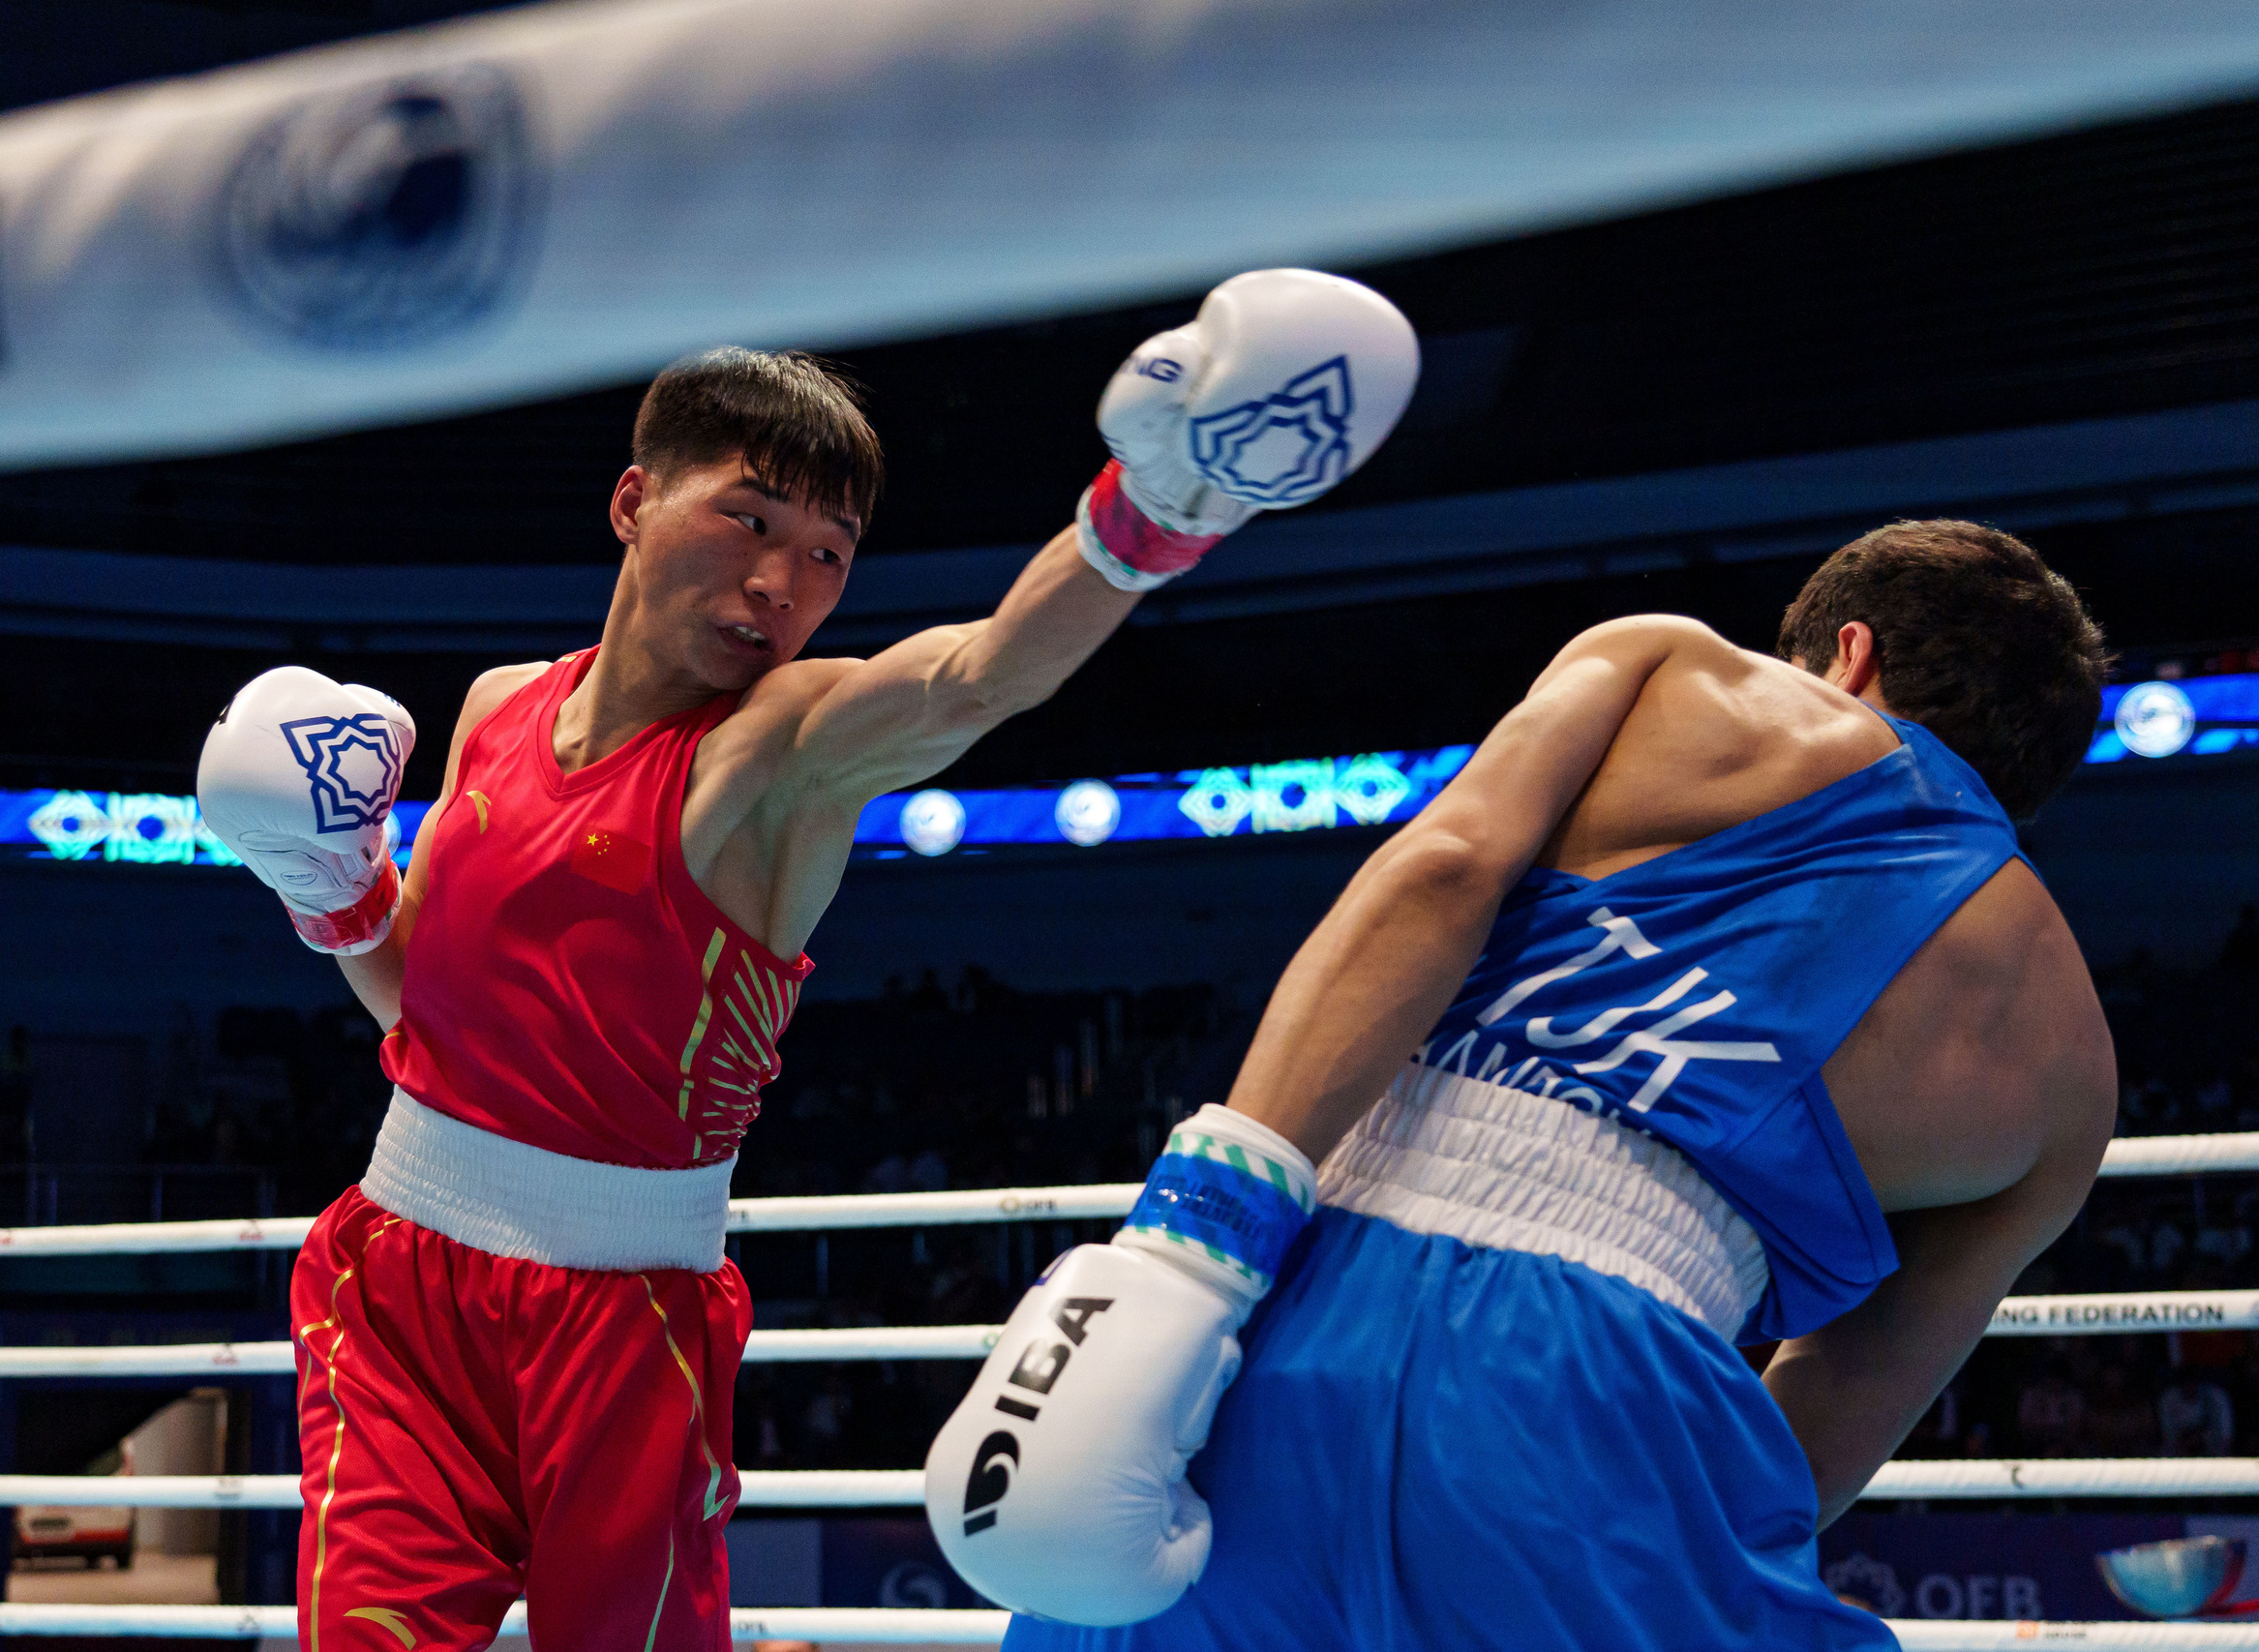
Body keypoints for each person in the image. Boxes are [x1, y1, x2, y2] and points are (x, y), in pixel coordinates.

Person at [193, 271, 1418, 1648]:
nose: (783, 581)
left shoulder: (770, 760)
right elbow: (425, 1005)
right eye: (750, 517)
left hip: (620, 1325)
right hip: (396, 1280)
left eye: (831, 552)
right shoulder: (493, 710)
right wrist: (338, 893)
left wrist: (1153, 514)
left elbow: (981, 672)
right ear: (633, 503)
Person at [928, 520, 2119, 1648]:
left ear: (1845, 655)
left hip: (1296, 1275)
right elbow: (1846, 1398)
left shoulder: (1673, 668)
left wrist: (1189, 1244)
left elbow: (1439, 875)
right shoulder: (2069, 1068)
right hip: (1618, 1385)